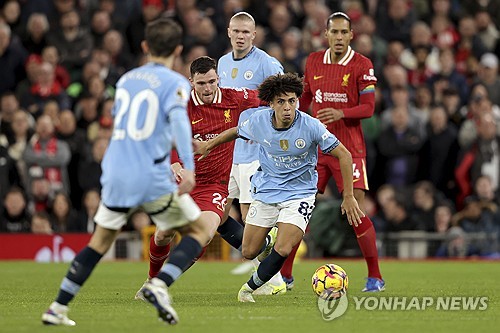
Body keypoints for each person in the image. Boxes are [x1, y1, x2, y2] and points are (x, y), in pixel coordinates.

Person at [41, 18, 212, 326]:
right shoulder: (175, 83)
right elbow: (179, 123)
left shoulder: (126, 80)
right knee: (199, 232)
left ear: (145, 47)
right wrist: (188, 166)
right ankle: (159, 285)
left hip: (116, 170)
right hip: (150, 174)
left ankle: (58, 307)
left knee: (99, 242)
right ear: (178, 49)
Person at [195, 72, 363, 302]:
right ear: (272, 103)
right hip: (267, 189)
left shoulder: (311, 126)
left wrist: (349, 196)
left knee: (284, 247)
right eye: (281, 101)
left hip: (300, 194)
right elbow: (235, 132)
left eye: (292, 101)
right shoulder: (258, 121)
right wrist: (208, 146)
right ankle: (267, 240)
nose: (287, 107)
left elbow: (343, 154)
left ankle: (249, 288)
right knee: (248, 251)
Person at [135, 56, 277, 298]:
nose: (208, 88)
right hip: (182, 182)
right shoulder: (179, 103)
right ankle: (151, 279)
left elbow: (268, 97)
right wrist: (174, 163)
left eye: (212, 82)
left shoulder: (234, 98)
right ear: (191, 82)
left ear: (218, 78)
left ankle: (161, 284)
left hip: (214, 184)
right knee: (162, 234)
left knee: (205, 233)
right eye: (201, 84)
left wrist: (290, 93)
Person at [299, 12, 384, 292]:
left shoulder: (362, 64)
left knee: (354, 211)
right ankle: (284, 277)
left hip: (350, 149)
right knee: (298, 208)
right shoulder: (313, 61)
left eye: (343, 32)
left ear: (351, 35)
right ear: (326, 34)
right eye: (333, 32)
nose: (338, 37)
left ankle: (375, 277)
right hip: (317, 148)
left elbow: (369, 108)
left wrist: (341, 112)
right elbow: (305, 99)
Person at [217, 11, 287, 292]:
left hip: (254, 154)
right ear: (228, 32)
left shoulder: (266, 63)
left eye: (246, 32)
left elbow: (284, 102)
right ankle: (268, 265)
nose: (241, 36)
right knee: (218, 216)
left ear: (254, 35)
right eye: (236, 31)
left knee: (250, 217)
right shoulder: (221, 64)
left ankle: (274, 280)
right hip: (228, 152)